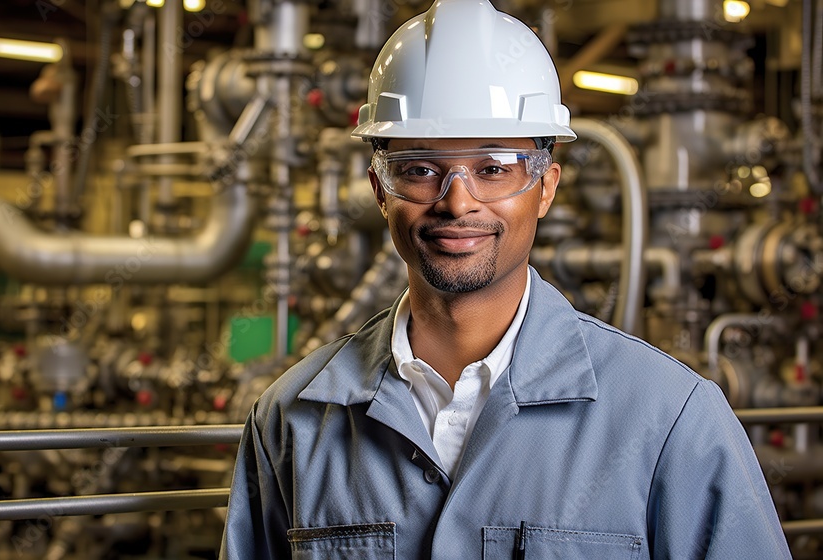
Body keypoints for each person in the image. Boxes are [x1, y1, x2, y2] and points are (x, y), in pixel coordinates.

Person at [220, 0, 791, 558]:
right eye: (420, 170)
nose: (457, 203)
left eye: (493, 169)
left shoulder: (669, 418)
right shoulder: (292, 418)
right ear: (378, 189)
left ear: (546, 188)